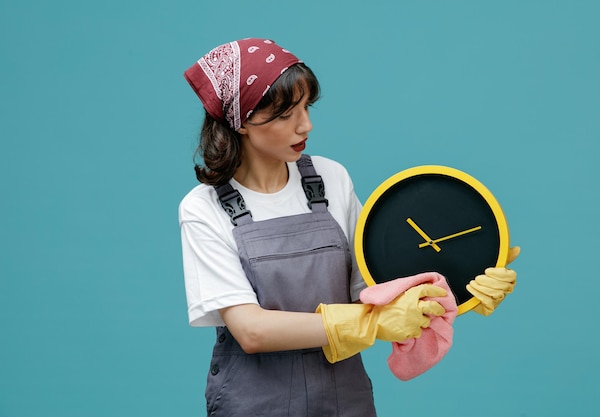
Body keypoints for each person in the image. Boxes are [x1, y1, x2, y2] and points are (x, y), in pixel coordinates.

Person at [179, 38, 519, 417]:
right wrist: (372, 324)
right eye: (286, 114)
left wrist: (460, 286)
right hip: (254, 404)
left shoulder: (330, 178)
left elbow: (374, 294)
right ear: (241, 121)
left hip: (344, 401)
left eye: (307, 107)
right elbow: (252, 331)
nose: (305, 125)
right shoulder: (203, 209)